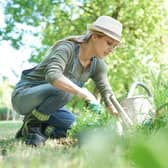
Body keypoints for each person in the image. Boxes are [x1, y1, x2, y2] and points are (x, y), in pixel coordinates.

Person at [11, 15, 123, 146]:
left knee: (76, 128)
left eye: (115, 46)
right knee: (65, 90)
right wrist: (83, 93)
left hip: (51, 106)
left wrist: (115, 113)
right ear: (95, 36)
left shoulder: (98, 64)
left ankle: (35, 128)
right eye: (109, 43)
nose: (111, 50)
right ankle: (34, 126)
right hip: (24, 96)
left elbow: (106, 91)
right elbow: (53, 76)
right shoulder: (67, 48)